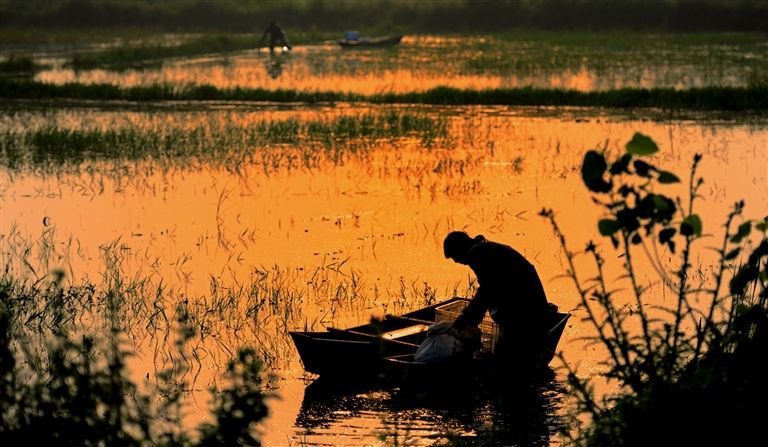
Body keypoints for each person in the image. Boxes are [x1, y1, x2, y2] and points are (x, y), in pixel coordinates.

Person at [443, 231, 551, 383]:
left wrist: (467, 319)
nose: (459, 262)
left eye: (457, 258)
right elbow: (491, 289)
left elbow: (487, 291)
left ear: (461, 250)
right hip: (530, 304)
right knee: (508, 356)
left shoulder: (480, 256)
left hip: (527, 309)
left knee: (504, 360)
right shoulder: (486, 249)